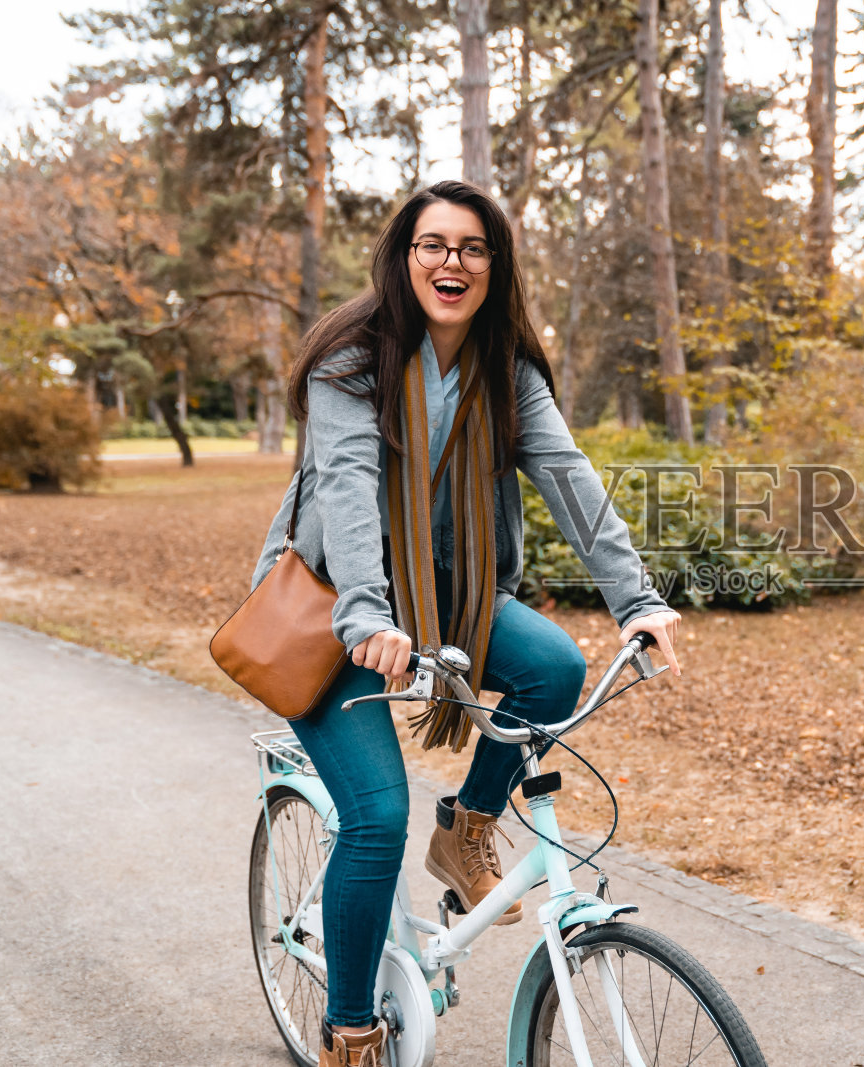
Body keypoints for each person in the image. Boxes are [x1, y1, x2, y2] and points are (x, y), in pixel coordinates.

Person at [250, 179, 682, 1067]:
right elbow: (348, 491)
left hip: (446, 600)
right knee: (374, 815)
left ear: (495, 265)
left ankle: (469, 827)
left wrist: (636, 600)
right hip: (333, 605)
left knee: (553, 669)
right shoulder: (349, 361)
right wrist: (367, 613)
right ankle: (349, 1030)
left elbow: (570, 479)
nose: (452, 261)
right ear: (404, 258)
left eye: (472, 247)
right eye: (433, 245)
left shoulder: (507, 372)